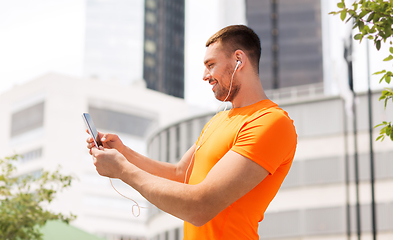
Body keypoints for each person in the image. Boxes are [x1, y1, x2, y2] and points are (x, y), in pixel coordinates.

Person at [87, 25, 297, 240]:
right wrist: (124, 153)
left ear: (238, 60)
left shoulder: (271, 122)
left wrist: (122, 170)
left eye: (211, 65)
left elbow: (201, 206)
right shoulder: (219, 120)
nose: (205, 76)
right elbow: (180, 175)